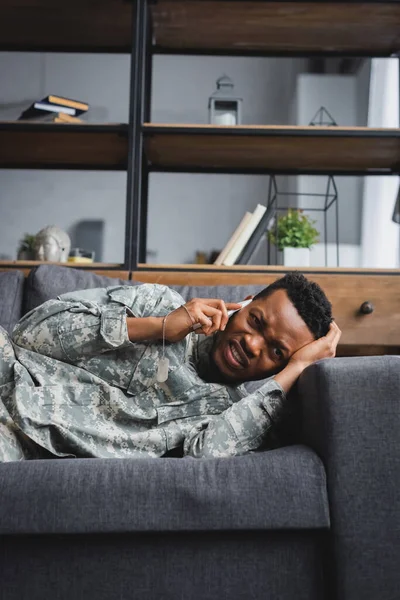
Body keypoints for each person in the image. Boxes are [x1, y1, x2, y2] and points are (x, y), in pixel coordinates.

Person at [0, 272, 340, 462]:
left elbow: (202, 458)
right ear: (246, 304)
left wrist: (297, 369)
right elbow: (27, 334)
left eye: (276, 352)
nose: (253, 345)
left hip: (19, 441)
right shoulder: (160, 303)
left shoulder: (233, 417)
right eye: (256, 321)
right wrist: (157, 326)